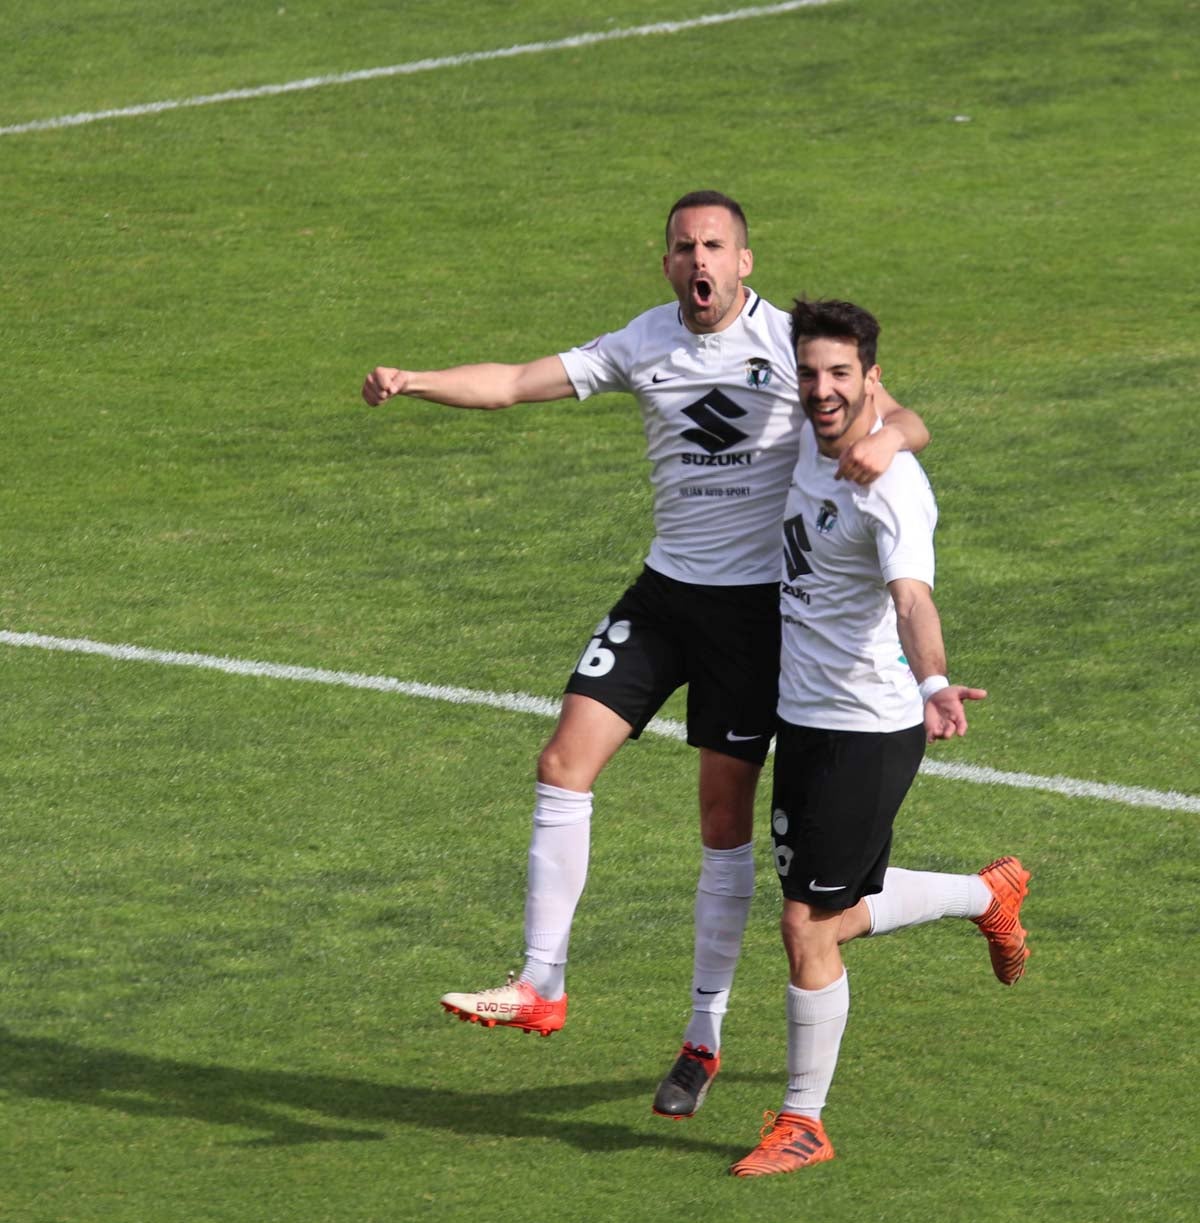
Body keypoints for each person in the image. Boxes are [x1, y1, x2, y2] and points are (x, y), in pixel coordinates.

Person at [361, 192, 930, 1117]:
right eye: (681, 246)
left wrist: (888, 442)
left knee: (719, 825)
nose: (697, 258)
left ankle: (702, 1035)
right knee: (562, 761)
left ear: (744, 260)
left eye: (714, 244)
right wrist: (413, 378)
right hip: (665, 595)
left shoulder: (791, 346)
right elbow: (511, 381)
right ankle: (543, 980)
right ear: (666, 263)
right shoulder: (643, 342)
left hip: (753, 617)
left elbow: (902, 416)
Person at [729, 299, 1030, 1179]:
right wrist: (895, 427)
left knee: (804, 925)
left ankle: (803, 1121)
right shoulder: (822, 433)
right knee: (835, 908)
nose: (823, 389)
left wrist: (935, 681)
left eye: (841, 375)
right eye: (811, 372)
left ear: (869, 376)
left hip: (866, 728)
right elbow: (911, 417)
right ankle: (987, 896)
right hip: (805, 720)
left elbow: (911, 596)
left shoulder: (889, 484)